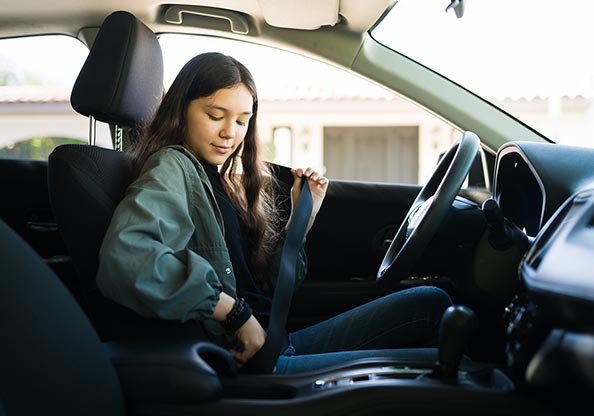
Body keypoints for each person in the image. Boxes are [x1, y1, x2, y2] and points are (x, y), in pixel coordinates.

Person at [97, 52, 452, 374]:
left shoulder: (215, 178)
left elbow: (265, 288)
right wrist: (233, 313)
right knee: (448, 362)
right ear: (182, 110)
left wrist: (303, 218)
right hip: (258, 362)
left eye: (242, 120)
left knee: (431, 304)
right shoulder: (172, 167)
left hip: (276, 339)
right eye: (215, 115)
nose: (229, 133)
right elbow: (128, 259)